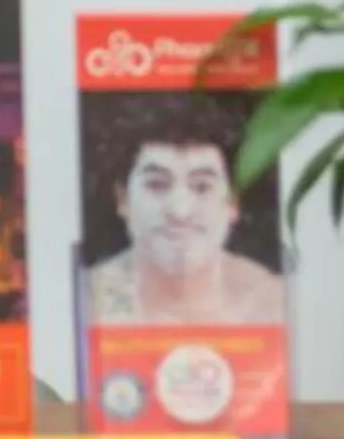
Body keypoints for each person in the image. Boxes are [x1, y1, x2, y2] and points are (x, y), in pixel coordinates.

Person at [82, 96, 283, 326]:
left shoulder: (273, 304)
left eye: (202, 187)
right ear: (123, 199)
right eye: (157, 185)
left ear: (233, 203)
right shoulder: (84, 303)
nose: (180, 211)